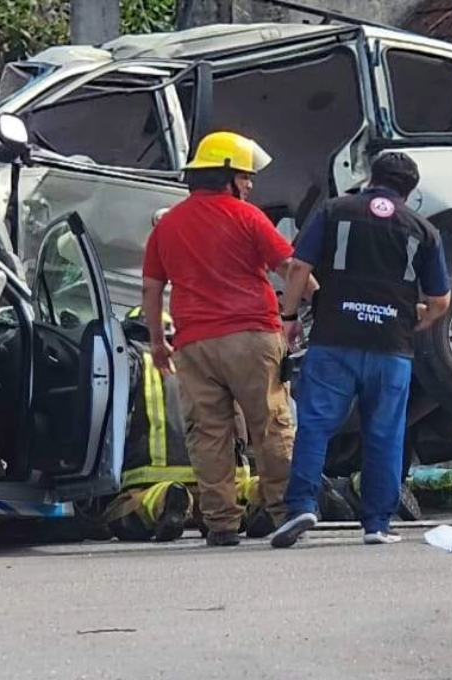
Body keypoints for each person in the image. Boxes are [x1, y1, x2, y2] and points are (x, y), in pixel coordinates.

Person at [271, 152, 451, 548]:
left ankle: (302, 504)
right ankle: (377, 524)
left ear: (370, 177)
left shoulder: (334, 210)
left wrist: (289, 315)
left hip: (334, 342)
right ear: (411, 190)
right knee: (385, 433)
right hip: (392, 349)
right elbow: (441, 300)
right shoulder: (423, 229)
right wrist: (417, 318)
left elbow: (299, 267)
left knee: (315, 425)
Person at [141, 131, 299, 547]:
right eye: (245, 176)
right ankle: (285, 511)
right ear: (226, 176)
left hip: (194, 344)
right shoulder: (248, 217)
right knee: (270, 424)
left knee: (208, 433)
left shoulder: (168, 224)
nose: (250, 184)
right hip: (252, 335)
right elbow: (292, 269)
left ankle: (221, 523)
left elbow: (152, 289)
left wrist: (159, 342)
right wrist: (299, 310)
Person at [102, 307, 255, 542]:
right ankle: (258, 494)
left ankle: (166, 498)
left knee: (119, 510)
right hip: (219, 478)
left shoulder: (130, 361)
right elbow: (241, 421)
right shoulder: (207, 361)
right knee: (234, 496)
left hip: (152, 477)